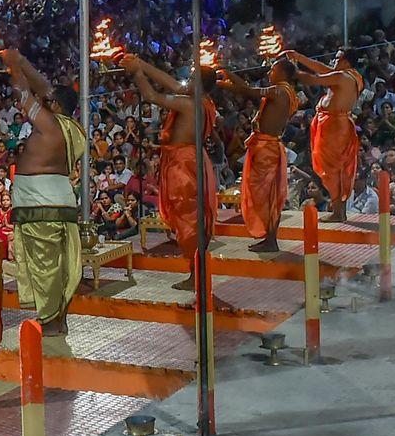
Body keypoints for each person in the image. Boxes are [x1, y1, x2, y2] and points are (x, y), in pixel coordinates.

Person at [0, 50, 86, 336]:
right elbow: (44, 89)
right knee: (57, 264)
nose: (44, 103)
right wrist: (23, 61)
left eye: (49, 101)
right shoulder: (68, 126)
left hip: (42, 205)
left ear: (58, 106)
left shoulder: (51, 124)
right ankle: (58, 319)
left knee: (45, 265)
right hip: (55, 201)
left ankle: (49, 321)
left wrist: (14, 69)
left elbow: (24, 95)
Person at [122, 54, 218, 291]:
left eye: (192, 78)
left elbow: (151, 96)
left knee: (189, 221)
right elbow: (175, 85)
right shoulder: (206, 103)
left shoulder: (189, 103)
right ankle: (197, 272)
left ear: (199, 84)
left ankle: (196, 275)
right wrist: (143, 64)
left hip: (183, 164)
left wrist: (137, 73)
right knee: (193, 219)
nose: (187, 81)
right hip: (190, 160)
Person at [216, 58, 299, 251]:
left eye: (273, 69)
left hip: (266, 148)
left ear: (283, 73)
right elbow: (249, 89)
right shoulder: (286, 92)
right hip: (268, 146)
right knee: (268, 194)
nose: (270, 73)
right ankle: (269, 238)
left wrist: (221, 82)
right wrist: (229, 75)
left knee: (265, 195)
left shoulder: (279, 91)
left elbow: (248, 91)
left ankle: (271, 240)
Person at [288, 48, 363, 222]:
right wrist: (299, 57)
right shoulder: (351, 76)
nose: (332, 61)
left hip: (334, 126)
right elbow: (322, 69)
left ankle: (338, 212)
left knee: (332, 169)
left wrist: (291, 70)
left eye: (336, 58)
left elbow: (313, 79)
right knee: (337, 168)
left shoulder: (342, 77)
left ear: (345, 62)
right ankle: (339, 211)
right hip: (337, 124)